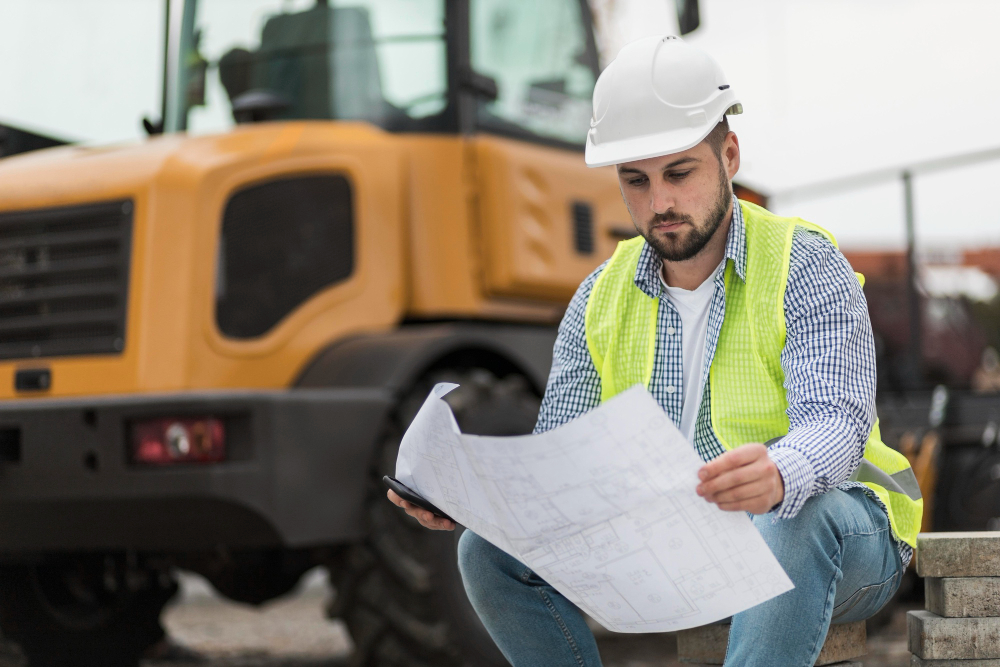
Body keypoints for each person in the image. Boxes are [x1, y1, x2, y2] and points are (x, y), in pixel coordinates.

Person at [388, 35, 922, 667]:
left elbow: (838, 420)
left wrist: (782, 472)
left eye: (679, 173)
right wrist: (476, 502)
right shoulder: (599, 296)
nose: (659, 203)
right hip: (687, 544)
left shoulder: (802, 262)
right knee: (485, 553)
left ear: (729, 155)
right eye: (635, 181)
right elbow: (564, 462)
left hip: (840, 537)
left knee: (791, 520)